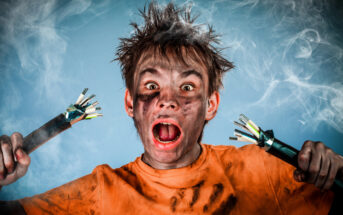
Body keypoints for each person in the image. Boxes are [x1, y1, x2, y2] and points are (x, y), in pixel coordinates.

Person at [0, 2, 342, 214]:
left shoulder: (263, 172)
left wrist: (333, 170)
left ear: (211, 105)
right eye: (151, 86)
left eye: (188, 87)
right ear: (130, 104)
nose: (168, 100)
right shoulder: (98, 194)